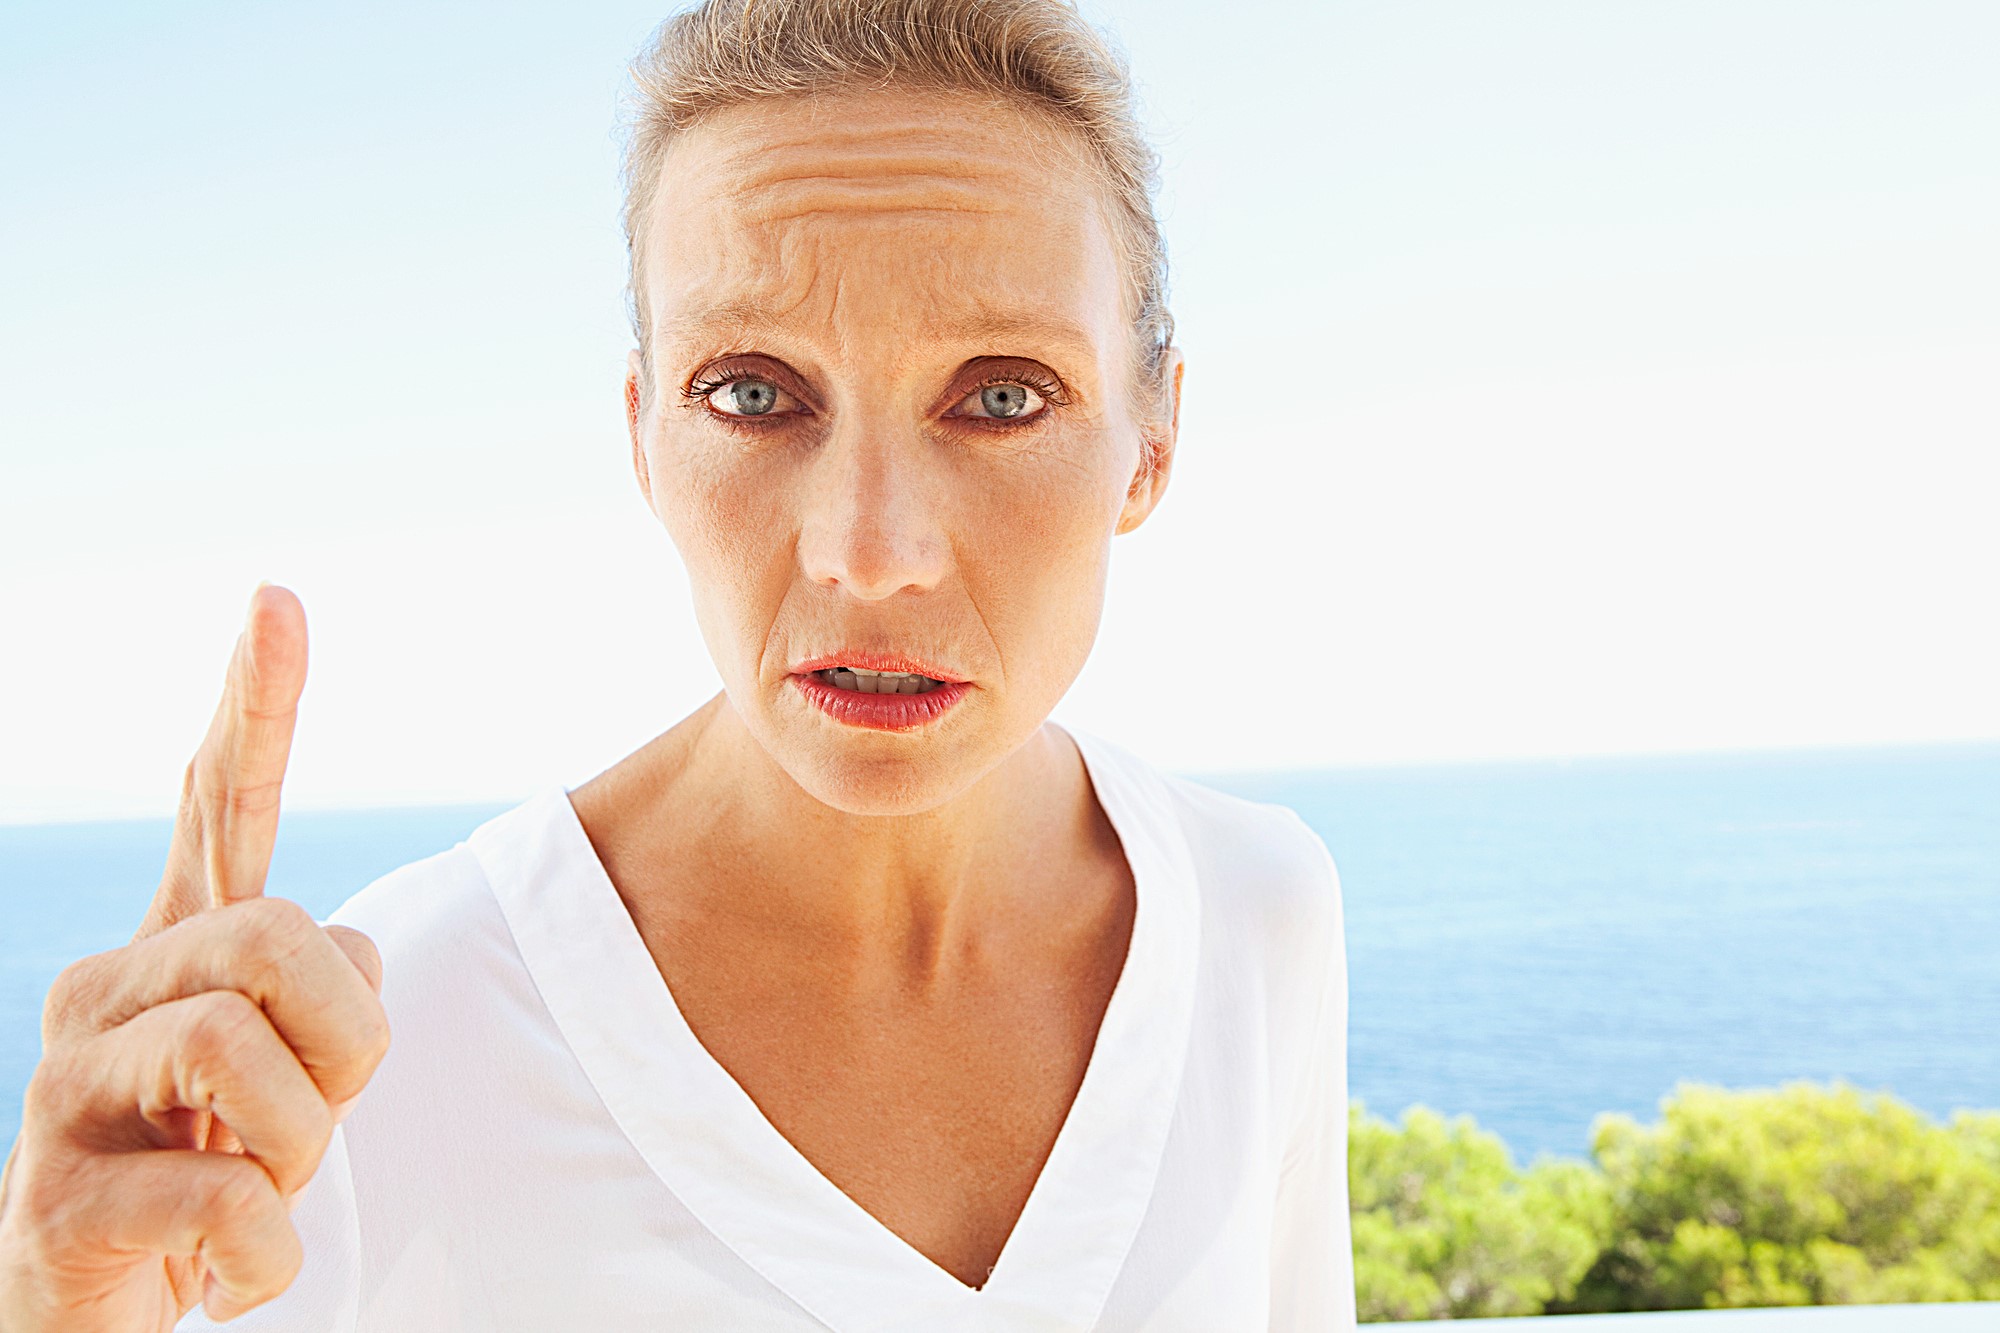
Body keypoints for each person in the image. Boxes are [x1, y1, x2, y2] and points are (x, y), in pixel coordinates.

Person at [0, 1, 1354, 1327]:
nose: (868, 553)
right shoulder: (375, 1043)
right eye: (755, 394)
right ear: (645, 439)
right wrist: (57, 1315)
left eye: (1001, 394)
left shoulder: (1257, 914)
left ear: (1154, 440)